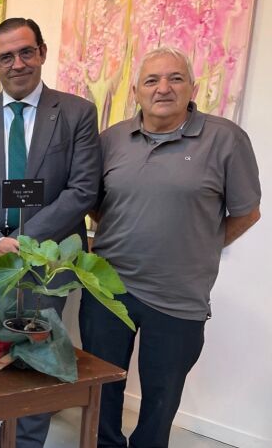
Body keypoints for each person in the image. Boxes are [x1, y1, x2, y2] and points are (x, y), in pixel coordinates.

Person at [81, 46, 260, 448]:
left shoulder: (226, 139)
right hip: (108, 288)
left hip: (179, 295)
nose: (163, 88)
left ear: (192, 87)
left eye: (175, 78)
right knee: (102, 390)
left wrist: (201, 246)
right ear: (136, 91)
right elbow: (93, 204)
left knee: (161, 399)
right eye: (152, 80)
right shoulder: (111, 140)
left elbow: (247, 212)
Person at [0, 17, 101, 448]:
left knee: (38, 353)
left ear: (42, 53)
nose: (17, 63)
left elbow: (83, 189)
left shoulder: (76, 113)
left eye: (26, 52)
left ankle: (24, 441)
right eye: (6, 56)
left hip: (46, 261)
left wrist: (27, 243)